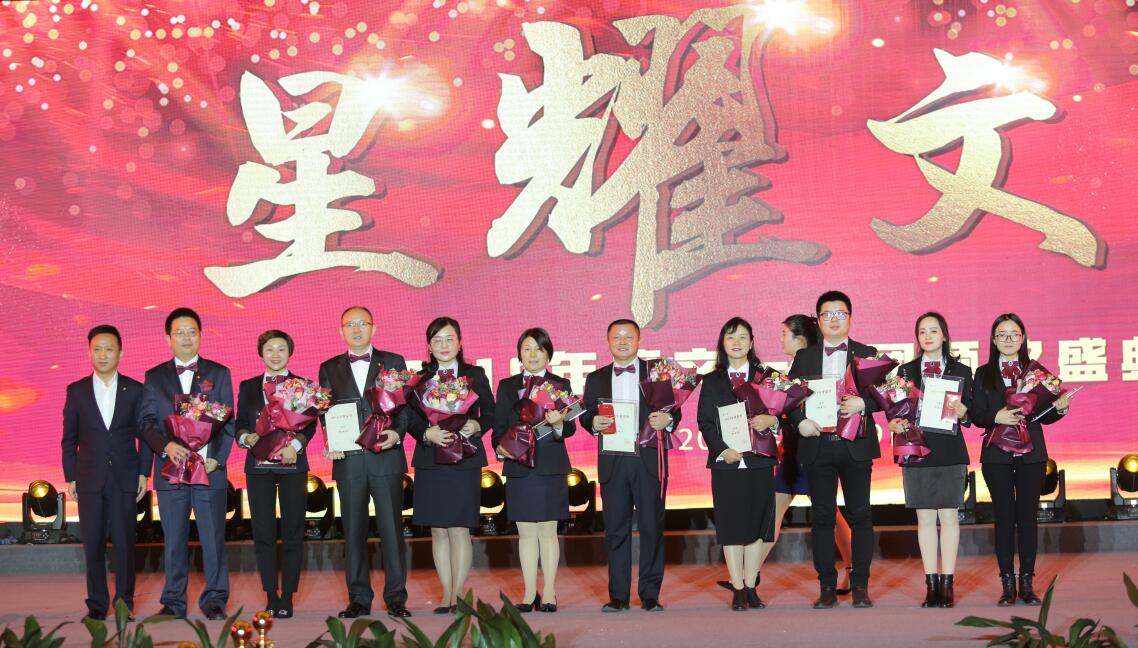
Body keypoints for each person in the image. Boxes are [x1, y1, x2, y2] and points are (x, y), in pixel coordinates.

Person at [971, 313, 1073, 607]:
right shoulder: (983, 373)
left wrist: (1060, 408)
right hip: (997, 456)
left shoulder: (1036, 372)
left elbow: (1045, 415)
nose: (1008, 339)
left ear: (1023, 338)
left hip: (1032, 456)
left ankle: (1027, 583)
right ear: (993, 340)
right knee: (1004, 518)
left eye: (1014, 334)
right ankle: (1007, 584)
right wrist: (996, 417)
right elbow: (976, 414)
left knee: (1028, 517)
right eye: (1002, 335)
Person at [139, 307, 235, 620]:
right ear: (168, 338)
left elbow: (228, 422)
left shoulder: (219, 373)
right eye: (179, 332)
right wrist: (165, 446)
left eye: (192, 331)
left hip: (208, 471)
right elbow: (146, 422)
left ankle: (215, 600)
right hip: (170, 471)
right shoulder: (154, 377)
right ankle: (174, 602)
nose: (186, 338)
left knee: (213, 539)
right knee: (174, 540)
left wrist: (216, 459)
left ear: (201, 335)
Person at [787, 291, 880, 609]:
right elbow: (789, 398)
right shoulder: (805, 357)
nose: (834, 320)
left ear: (850, 318)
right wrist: (800, 421)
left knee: (861, 516)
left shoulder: (867, 354)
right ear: (819, 320)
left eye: (841, 314)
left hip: (856, 446)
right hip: (818, 445)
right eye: (827, 314)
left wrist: (863, 404)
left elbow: (885, 396)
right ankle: (826, 586)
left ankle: (860, 586)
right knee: (823, 517)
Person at [318, 306, 412, 619]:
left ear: (374, 328)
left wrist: (397, 434)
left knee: (392, 531)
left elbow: (405, 409)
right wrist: (331, 441)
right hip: (349, 462)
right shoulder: (329, 367)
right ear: (340, 330)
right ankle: (358, 598)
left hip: (386, 457)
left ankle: (396, 597)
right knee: (353, 532)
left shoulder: (393, 362)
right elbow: (325, 412)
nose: (356, 329)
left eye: (362, 323)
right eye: (350, 324)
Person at [580, 319, 679, 613]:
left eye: (628, 336)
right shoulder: (596, 378)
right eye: (616, 337)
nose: (622, 342)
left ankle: (650, 594)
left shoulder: (657, 373)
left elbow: (674, 411)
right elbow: (586, 414)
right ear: (608, 341)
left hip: (648, 459)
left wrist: (668, 420)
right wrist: (593, 422)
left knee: (651, 527)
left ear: (639, 340)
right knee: (615, 530)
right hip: (613, 460)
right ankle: (618, 596)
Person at [755, 315, 853, 594]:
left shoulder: (817, 368)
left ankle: (852, 567)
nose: (780, 339)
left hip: (814, 449)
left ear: (799, 339)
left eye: (784, 334)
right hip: (792, 450)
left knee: (828, 512)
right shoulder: (789, 371)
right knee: (776, 510)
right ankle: (750, 573)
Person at [406, 317, 495, 614]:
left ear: (459, 342)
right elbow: (410, 418)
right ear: (429, 346)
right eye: (437, 340)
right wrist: (425, 433)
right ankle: (446, 593)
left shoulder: (475, 374)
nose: (443, 345)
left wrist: (476, 425)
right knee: (438, 530)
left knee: (459, 528)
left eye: (449, 339)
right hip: (431, 459)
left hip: (464, 458)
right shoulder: (419, 378)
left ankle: (459, 594)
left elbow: (490, 412)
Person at [61, 324, 149, 621]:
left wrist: (144, 473)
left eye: (109, 349)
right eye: (97, 349)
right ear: (89, 352)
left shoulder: (135, 390)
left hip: (125, 477)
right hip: (89, 478)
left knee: (124, 543)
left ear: (120, 353)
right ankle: (97, 605)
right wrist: (71, 476)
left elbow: (145, 436)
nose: (102, 355)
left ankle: (124, 604)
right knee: (93, 544)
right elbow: (69, 439)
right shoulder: (76, 391)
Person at [889, 312, 972, 608]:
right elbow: (895, 409)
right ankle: (931, 584)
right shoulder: (906, 371)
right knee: (924, 518)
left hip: (950, 449)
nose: (927, 336)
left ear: (944, 335)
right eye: (922, 331)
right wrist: (894, 424)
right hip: (917, 449)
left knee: (949, 516)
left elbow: (972, 414)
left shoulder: (962, 370)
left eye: (933, 330)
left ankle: (947, 584)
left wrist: (963, 411)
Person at [696, 317, 778, 610]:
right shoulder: (711, 380)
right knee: (731, 525)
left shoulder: (767, 376)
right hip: (726, 463)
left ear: (751, 342)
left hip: (759, 461)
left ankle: (752, 585)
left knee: (757, 525)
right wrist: (722, 450)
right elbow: (705, 421)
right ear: (722, 343)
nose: (737, 342)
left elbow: (782, 412)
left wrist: (772, 420)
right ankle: (738, 588)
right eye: (731, 337)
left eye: (742, 337)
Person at [492, 328, 576, 613]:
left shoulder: (560, 384)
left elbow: (571, 427)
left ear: (548, 354)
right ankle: (529, 593)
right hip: (519, 466)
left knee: (548, 531)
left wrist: (558, 424)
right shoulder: (507, 386)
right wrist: (500, 448)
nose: (532, 354)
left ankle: (549, 591)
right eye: (527, 349)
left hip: (550, 465)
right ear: (519, 354)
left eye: (538, 349)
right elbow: (498, 427)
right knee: (526, 532)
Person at [235, 330, 312, 618]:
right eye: (270, 349)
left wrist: (296, 446)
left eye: (281, 349)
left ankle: (288, 596)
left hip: (293, 465)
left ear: (290, 353)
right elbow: (240, 423)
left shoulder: (302, 385)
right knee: (263, 532)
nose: (275, 354)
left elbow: (310, 424)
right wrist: (246, 438)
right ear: (261, 353)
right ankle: (270, 594)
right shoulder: (248, 386)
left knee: (293, 532)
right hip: (258, 467)